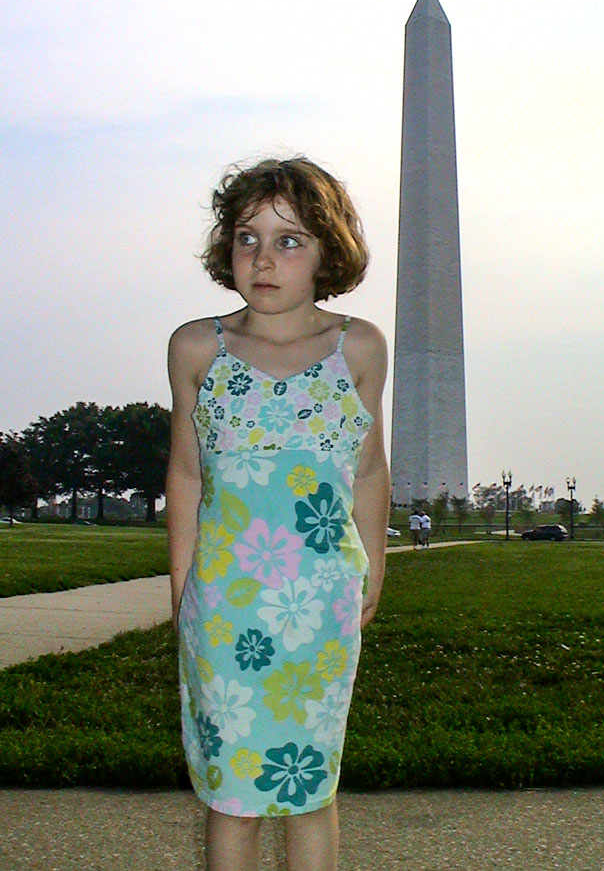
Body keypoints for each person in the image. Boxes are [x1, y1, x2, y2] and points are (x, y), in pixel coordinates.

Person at [166, 156, 390, 871]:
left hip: (320, 606)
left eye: (289, 239)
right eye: (247, 237)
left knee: (310, 783)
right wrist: (183, 589)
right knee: (234, 791)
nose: (263, 258)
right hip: (228, 609)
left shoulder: (358, 348)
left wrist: (375, 567)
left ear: (329, 250)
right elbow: (187, 471)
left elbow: (369, 467)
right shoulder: (199, 349)